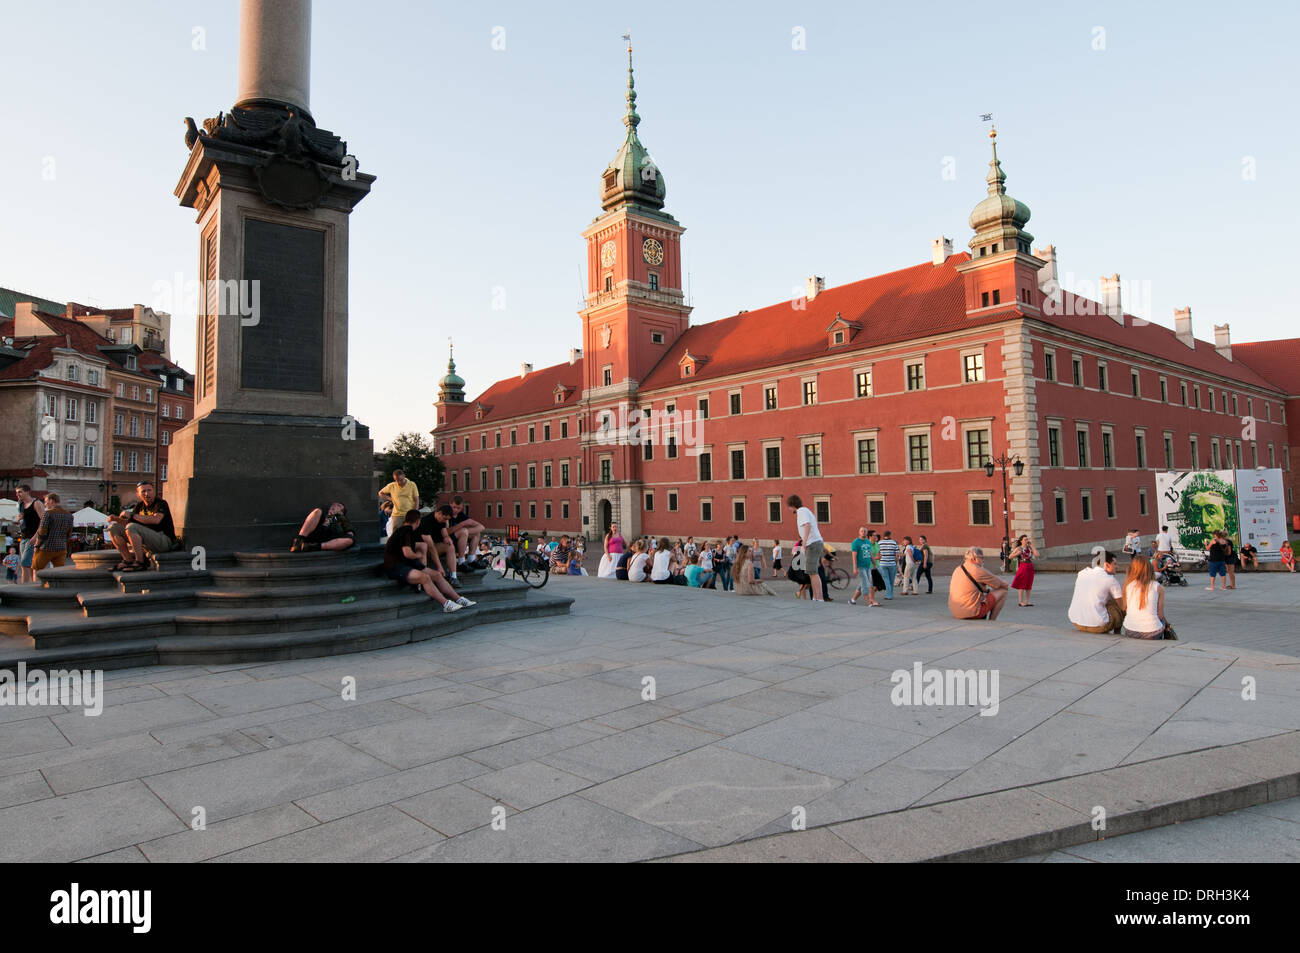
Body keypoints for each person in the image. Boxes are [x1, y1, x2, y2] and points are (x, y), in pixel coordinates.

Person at [383, 509, 471, 612]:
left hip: (405, 564)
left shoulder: (404, 530)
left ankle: (458, 599)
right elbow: (407, 553)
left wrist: (421, 551)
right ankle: (446, 604)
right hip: (396, 567)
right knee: (425, 578)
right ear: (418, 521)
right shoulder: (406, 531)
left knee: (437, 575)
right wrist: (418, 555)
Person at [107, 482, 176, 571]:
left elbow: (156, 520)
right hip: (147, 542)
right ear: (138, 494)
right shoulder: (139, 506)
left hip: (164, 541)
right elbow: (127, 523)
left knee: (132, 527)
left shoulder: (161, 503)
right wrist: (115, 519)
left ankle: (140, 562)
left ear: (154, 491)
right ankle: (128, 560)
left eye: (149, 490)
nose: (147, 494)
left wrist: (132, 515)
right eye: (143, 491)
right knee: (113, 528)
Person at [1067, 551, 1126, 634]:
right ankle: (1117, 633)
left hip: (1076, 622)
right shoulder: (1110, 579)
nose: (1117, 567)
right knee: (1117, 603)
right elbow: (1122, 606)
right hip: (1098, 626)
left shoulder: (1082, 573)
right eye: (1115, 564)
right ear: (1106, 565)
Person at [948, 547, 1010, 620]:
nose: (983, 560)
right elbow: (1001, 584)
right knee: (1003, 591)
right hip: (971, 612)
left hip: (955, 611)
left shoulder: (958, 568)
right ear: (974, 559)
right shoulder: (977, 570)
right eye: (982, 558)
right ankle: (992, 620)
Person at [1121, 554, 1169, 639]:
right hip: (1152, 631)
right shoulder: (1158, 587)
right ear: (1150, 569)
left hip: (1130, 629)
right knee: (1162, 621)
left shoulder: (1128, 586)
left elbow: (1125, 608)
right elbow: (1160, 615)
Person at [788, 495, 826, 602]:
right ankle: (816, 597)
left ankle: (819, 598)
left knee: (813, 572)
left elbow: (807, 525)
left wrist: (804, 543)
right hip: (815, 543)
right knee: (811, 572)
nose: (789, 509)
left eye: (789, 507)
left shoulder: (801, 511)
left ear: (792, 505)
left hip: (812, 543)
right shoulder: (805, 510)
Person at [32, 493, 74, 572]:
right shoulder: (69, 515)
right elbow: (69, 533)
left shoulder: (48, 513)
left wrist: (37, 546)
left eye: (46, 501)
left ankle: (37, 584)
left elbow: (42, 532)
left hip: (47, 547)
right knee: (59, 571)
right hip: (61, 548)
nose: (45, 504)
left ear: (51, 501)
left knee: (36, 568)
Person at [291, 502, 356, 552]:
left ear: (342, 511)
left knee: (350, 540)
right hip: (314, 534)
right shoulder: (322, 513)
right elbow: (321, 524)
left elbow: (350, 534)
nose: (335, 505)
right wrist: (329, 516)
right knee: (317, 511)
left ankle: (312, 547)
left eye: (338, 506)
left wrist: (339, 516)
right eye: (334, 504)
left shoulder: (342, 518)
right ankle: (299, 541)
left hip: (330, 540)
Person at [15, 485, 45, 584]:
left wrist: (36, 536)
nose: (18, 494)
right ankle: (33, 585)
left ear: (27, 492)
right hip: (23, 537)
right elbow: (22, 518)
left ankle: (25, 588)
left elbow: (44, 521)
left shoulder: (36, 503)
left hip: (32, 537)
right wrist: (18, 520)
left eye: (20, 492)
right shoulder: (21, 505)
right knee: (30, 564)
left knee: (24, 564)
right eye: (17, 492)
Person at [377, 470, 419, 538]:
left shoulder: (412, 484)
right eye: (396, 480)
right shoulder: (392, 485)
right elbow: (380, 493)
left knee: (409, 535)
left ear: (404, 476)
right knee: (396, 535)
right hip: (397, 515)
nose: (399, 482)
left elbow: (416, 499)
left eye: (400, 480)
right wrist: (391, 499)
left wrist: (415, 513)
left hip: (409, 514)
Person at [448, 496, 486, 569]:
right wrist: (463, 528)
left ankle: (471, 558)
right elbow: (447, 531)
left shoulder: (461, 515)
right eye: (454, 507)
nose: (456, 510)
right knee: (464, 531)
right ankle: (461, 561)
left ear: (462, 507)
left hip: (459, 538)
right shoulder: (446, 513)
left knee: (476, 533)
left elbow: (481, 527)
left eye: (458, 508)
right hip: (447, 539)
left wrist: (465, 532)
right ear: (450, 504)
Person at [849, 526, 880, 607]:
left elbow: (870, 553)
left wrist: (874, 563)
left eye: (865, 531)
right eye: (862, 531)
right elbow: (854, 556)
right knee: (866, 584)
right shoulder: (856, 542)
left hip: (868, 566)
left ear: (867, 533)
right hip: (860, 566)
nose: (863, 532)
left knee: (865, 583)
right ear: (859, 532)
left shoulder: (867, 541)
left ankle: (853, 600)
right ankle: (868, 602)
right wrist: (855, 567)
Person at [1009, 534, 1039, 607]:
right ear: (1021, 541)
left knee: (1029, 584)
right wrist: (1017, 553)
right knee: (1022, 584)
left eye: (1027, 539)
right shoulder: (1019, 548)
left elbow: (1037, 554)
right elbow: (1010, 556)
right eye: (1025, 539)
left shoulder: (1029, 548)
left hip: (1030, 566)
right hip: (1023, 565)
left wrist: (1032, 546)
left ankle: (1027, 601)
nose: (1027, 540)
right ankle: (1021, 601)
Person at [876, 530, 899, 599]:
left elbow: (878, 553)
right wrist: (896, 563)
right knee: (891, 580)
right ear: (890, 535)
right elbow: (897, 555)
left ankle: (888, 595)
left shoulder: (879, 543)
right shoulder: (894, 543)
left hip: (883, 563)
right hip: (892, 564)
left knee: (886, 579)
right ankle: (890, 594)